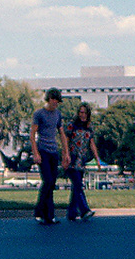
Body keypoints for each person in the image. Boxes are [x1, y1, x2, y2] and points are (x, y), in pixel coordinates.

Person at [31, 88, 70, 225]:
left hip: (54, 151)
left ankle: (49, 216)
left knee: (52, 183)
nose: (56, 104)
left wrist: (66, 153)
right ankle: (39, 211)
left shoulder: (58, 114)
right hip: (43, 150)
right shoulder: (39, 114)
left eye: (58, 102)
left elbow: (62, 134)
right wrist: (35, 152)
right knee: (47, 181)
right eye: (54, 101)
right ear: (49, 99)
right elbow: (32, 134)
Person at [65, 103, 101, 221]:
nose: (82, 115)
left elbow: (92, 143)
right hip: (72, 159)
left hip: (82, 160)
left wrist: (97, 159)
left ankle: (72, 213)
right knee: (78, 185)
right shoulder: (72, 125)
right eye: (80, 112)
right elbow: (66, 140)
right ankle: (84, 210)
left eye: (85, 112)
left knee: (76, 186)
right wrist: (65, 156)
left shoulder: (89, 127)